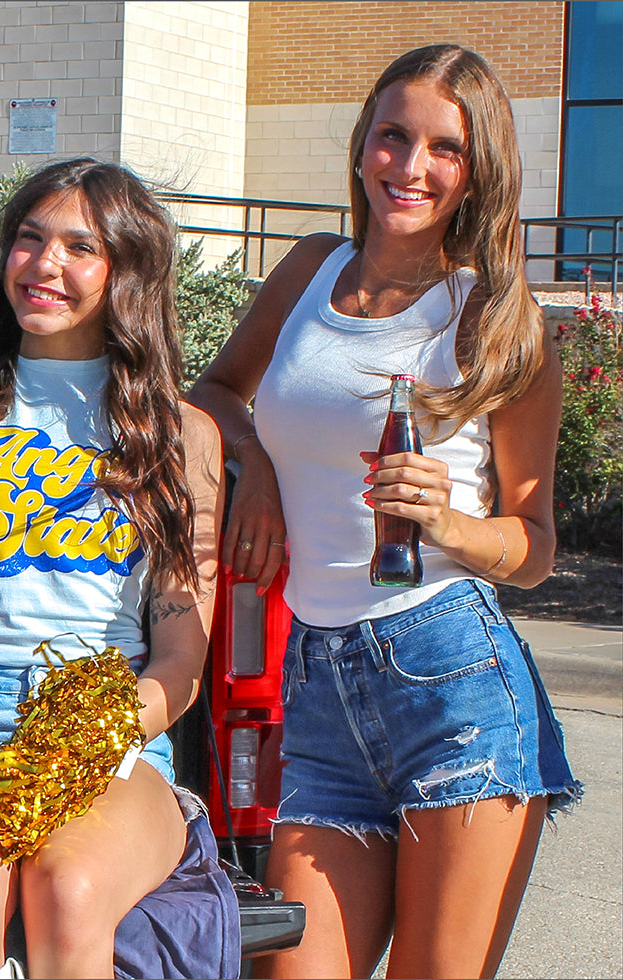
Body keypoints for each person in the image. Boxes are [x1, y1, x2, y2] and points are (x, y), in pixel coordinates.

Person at [188, 44, 577, 979]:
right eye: (393, 136)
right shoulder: (310, 270)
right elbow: (215, 392)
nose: (411, 166)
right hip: (318, 685)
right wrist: (257, 469)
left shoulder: (496, 319)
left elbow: (533, 549)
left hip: (453, 681)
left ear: (478, 169)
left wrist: (447, 521)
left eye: (445, 148)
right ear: (363, 143)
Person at [0, 158, 224, 979]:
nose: (44, 264)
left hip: (110, 731)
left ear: (127, 272)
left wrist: (92, 738)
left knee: (69, 887)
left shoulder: (179, 436)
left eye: (80, 247)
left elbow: (182, 652)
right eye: (29, 239)